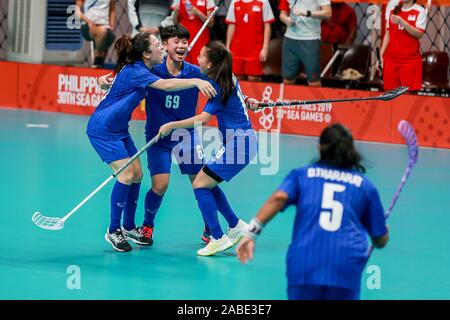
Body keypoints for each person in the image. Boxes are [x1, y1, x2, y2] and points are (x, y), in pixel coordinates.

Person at [97, 25, 253, 245]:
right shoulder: (152, 70)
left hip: (186, 136)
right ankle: (147, 226)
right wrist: (102, 80)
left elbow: (225, 81)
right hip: (158, 138)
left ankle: (212, 228)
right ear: (165, 46)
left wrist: (244, 100)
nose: (181, 46)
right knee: (160, 186)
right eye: (175, 41)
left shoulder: (195, 71)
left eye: (184, 42)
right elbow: (123, 78)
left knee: (203, 181)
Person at [86, 32, 216, 252]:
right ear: (147, 54)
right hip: (103, 129)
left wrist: (103, 80)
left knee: (137, 175)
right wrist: (194, 81)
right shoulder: (138, 71)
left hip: (120, 129)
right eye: (158, 45)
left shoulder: (142, 68)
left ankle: (128, 226)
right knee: (127, 175)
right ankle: (113, 229)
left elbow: (115, 78)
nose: (163, 48)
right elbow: (165, 85)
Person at [236, 123, 390, 300]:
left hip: (304, 266)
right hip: (345, 269)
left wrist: (251, 233)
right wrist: (384, 233)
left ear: (320, 148)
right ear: (351, 150)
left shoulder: (302, 175)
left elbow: (279, 198)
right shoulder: (365, 186)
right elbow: (379, 240)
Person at [157, 41, 260, 256]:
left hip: (238, 144)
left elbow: (203, 119)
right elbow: (235, 99)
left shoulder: (219, 85)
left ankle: (217, 237)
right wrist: (246, 100)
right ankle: (235, 225)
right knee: (208, 183)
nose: (198, 59)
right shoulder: (227, 76)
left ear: (210, 63)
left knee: (199, 185)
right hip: (243, 141)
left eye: (202, 56)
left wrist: (171, 125)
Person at [279, 0, 332, 86]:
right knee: (287, 80)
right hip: (290, 38)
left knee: (314, 81)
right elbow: (282, 14)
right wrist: (286, 20)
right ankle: (289, 99)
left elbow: (328, 13)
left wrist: (307, 13)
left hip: (310, 39)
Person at [380, 0, 427, 92]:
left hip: (410, 62)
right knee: (390, 97)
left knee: (409, 97)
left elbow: (419, 34)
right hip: (391, 61)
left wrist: (402, 22)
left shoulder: (420, 11)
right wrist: (382, 53)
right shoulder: (393, 10)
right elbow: (388, 33)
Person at [225, 0, 275, 82]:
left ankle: (254, 95)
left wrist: (265, 48)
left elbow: (267, 26)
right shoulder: (235, 2)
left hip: (255, 48)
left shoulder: (263, 1)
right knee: (236, 77)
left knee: (253, 78)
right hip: (237, 48)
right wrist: (227, 46)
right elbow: (231, 25)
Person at [171, 0, 216, 65]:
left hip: (200, 40)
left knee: (199, 67)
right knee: (182, 67)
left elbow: (211, 23)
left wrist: (198, 12)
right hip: (183, 39)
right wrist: (176, 12)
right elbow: (175, 22)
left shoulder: (209, 1)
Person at [76, 0, 117, 68]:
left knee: (108, 34)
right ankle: (98, 54)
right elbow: (77, 11)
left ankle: (99, 64)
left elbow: (112, 10)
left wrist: (111, 25)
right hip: (88, 25)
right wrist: (89, 22)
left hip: (105, 25)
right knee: (102, 31)